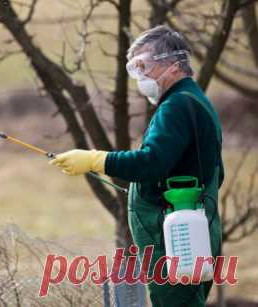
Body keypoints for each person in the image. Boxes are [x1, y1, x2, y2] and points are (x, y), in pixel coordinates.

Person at [49, 25, 224, 307]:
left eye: (144, 66)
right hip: (190, 233)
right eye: (135, 68)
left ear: (174, 65)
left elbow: (150, 163)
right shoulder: (192, 101)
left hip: (177, 240)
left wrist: (95, 160)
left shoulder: (177, 106)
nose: (140, 77)